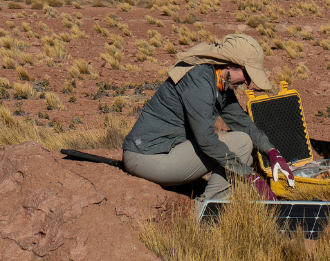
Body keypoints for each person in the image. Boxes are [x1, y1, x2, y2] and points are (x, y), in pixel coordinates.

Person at [122, 34, 294, 202]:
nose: (248, 83)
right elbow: (205, 139)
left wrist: (271, 152)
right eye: (247, 75)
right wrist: (250, 176)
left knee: (245, 154)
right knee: (241, 144)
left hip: (169, 150)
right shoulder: (200, 80)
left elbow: (242, 122)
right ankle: (205, 210)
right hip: (147, 156)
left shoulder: (220, 83)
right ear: (230, 65)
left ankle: (212, 206)